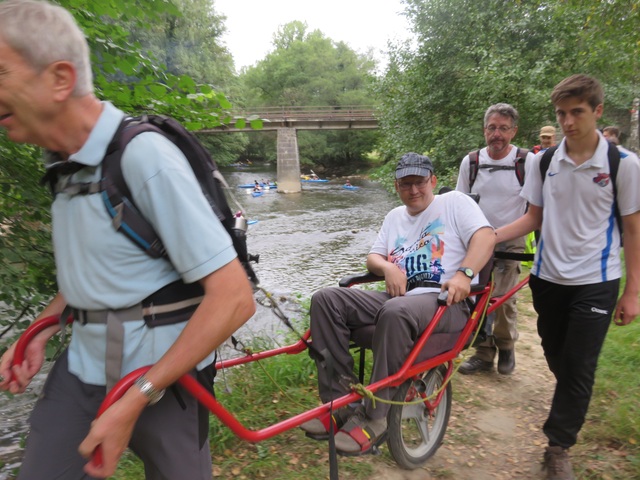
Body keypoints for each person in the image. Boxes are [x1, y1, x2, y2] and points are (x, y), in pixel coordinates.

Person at [0, 1, 256, 479]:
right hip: (82, 373)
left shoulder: (144, 158)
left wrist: (140, 393)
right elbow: (99, 272)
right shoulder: (62, 165)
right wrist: (41, 329)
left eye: (1, 73)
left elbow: (234, 299)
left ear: (59, 79)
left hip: (165, 381)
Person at [301, 152, 495, 455]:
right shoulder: (394, 216)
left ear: (433, 180)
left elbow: (486, 237)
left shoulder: (455, 203)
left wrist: (464, 275)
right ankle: (338, 404)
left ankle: (374, 417)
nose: (413, 190)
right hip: (399, 299)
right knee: (326, 300)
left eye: (419, 182)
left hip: (446, 303)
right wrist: (388, 268)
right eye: (406, 184)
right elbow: (373, 257)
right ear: (396, 186)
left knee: (395, 310)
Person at [495, 74, 640, 479]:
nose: (568, 122)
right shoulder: (543, 161)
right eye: (561, 113)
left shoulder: (623, 166)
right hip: (548, 279)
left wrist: (633, 292)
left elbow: (633, 229)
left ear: (596, 111)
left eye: (577, 112)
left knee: (578, 367)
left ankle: (558, 447)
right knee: (559, 358)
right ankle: (570, 400)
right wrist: (489, 236)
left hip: (597, 280)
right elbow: (532, 217)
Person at [455, 103, 535, 375]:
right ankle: (484, 352)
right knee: (477, 298)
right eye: (492, 128)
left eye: (503, 128)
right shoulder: (472, 161)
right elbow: (460, 203)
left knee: (502, 299)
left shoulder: (526, 161)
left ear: (514, 131)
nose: (497, 134)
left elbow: (537, 206)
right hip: (476, 240)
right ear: (484, 130)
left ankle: (506, 345)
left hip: (511, 239)